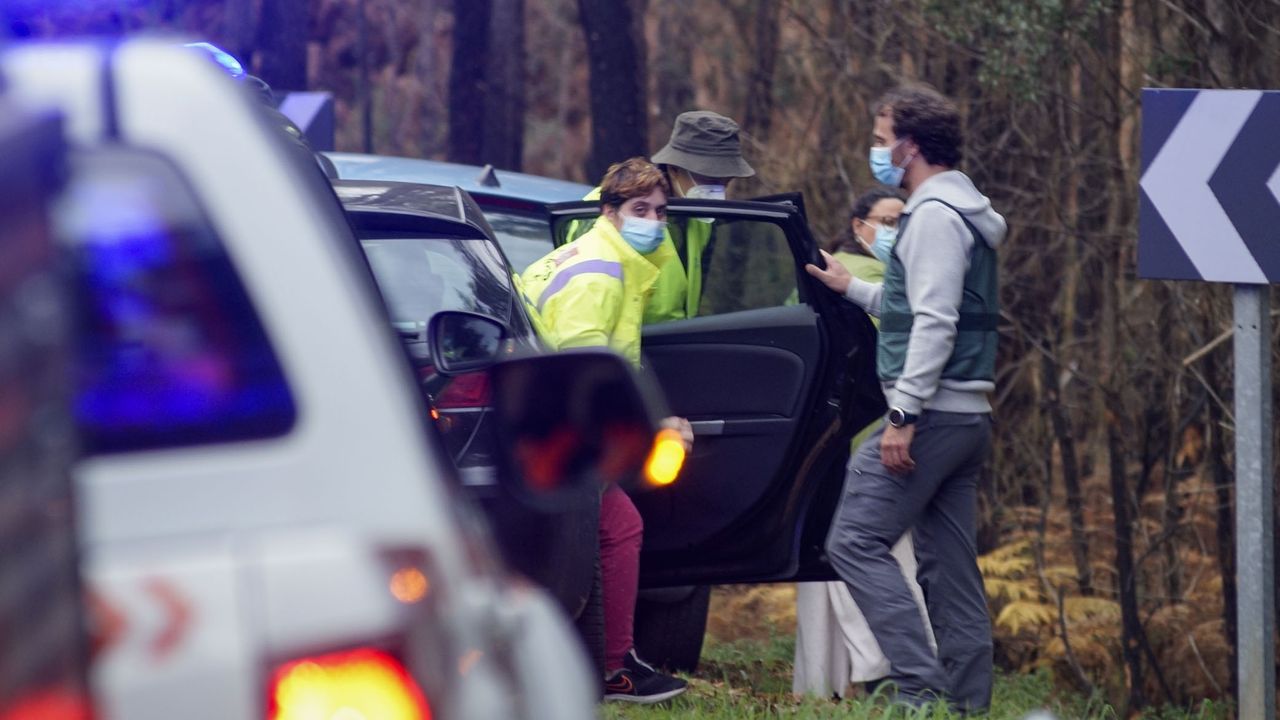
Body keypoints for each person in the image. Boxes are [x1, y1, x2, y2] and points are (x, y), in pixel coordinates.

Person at [806, 85, 1006, 712]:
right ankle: (967, 706)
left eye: (880, 135)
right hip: (964, 416)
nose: (876, 148)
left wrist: (903, 414)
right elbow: (914, 307)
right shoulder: (960, 212)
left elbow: (937, 323)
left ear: (910, 145)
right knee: (948, 570)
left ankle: (919, 687)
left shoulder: (937, 218)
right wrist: (853, 289)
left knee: (852, 542)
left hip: (932, 415)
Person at [522, 157, 692, 704]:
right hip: (559, 426)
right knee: (619, 530)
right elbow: (585, 369)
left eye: (662, 212)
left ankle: (609, 662)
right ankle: (615, 668)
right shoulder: (600, 274)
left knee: (607, 533)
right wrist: (655, 425)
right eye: (639, 210)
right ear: (609, 213)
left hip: (542, 422)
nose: (654, 222)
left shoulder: (591, 257)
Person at [792, 187, 937, 699]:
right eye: (887, 219)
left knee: (829, 557)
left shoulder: (815, 280)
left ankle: (824, 679)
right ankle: (880, 669)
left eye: (904, 220)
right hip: (881, 434)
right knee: (886, 557)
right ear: (859, 226)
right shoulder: (881, 275)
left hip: (827, 439)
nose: (897, 229)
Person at [571, 111, 755, 324]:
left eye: (726, 181)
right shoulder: (607, 207)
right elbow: (584, 294)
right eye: (709, 178)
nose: (719, 189)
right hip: (624, 342)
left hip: (677, 343)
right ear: (674, 169)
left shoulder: (701, 218)